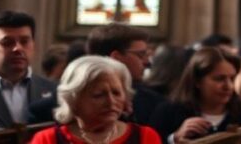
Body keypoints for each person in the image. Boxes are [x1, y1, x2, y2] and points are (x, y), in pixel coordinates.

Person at [29, 56, 160, 144]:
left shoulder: (145, 137)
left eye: (116, 93)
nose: (111, 101)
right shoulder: (47, 139)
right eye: (98, 95)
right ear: (73, 99)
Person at [0, 10, 57, 127]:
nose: (17, 48)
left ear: (34, 45)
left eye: (24, 41)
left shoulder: (55, 91)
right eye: (7, 43)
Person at [148, 48, 241, 141]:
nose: (228, 86)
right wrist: (175, 138)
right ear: (197, 81)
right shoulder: (168, 112)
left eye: (232, 79)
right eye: (219, 79)